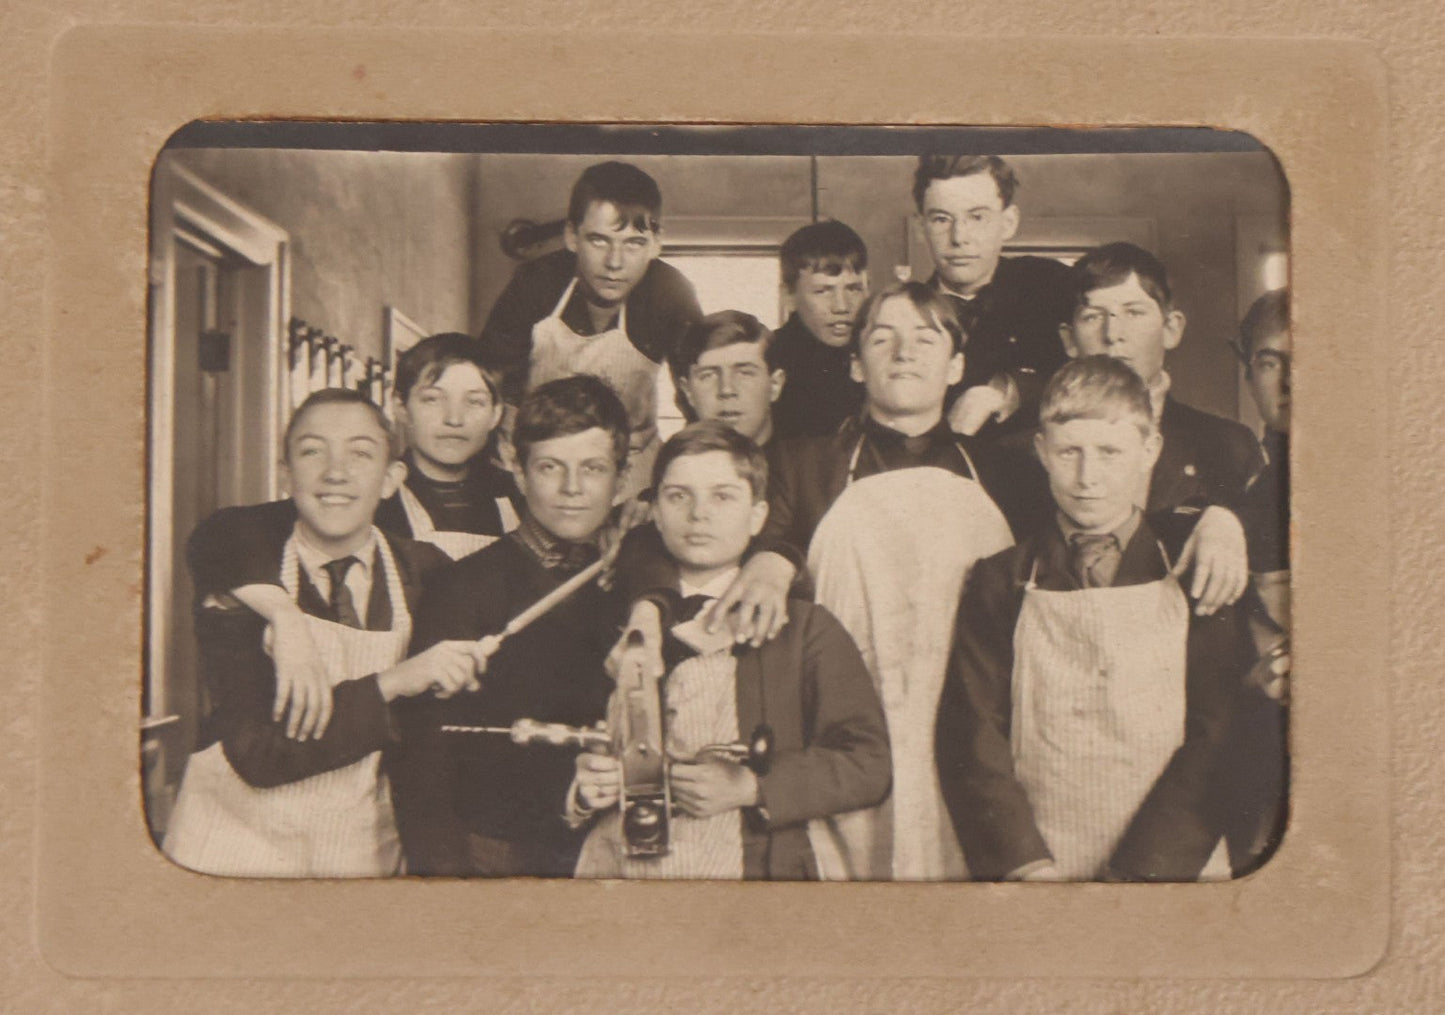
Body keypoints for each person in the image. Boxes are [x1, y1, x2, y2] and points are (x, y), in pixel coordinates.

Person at [935, 357, 1254, 882]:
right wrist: (1025, 863)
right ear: (1040, 451)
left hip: (1170, 866)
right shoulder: (1002, 579)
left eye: (1110, 452)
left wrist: (1140, 873)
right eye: (1068, 453)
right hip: (1041, 863)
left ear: (1149, 451)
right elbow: (972, 731)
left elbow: (1216, 735)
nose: (1088, 478)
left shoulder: (1195, 570)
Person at [162, 389, 485, 877]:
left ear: (392, 479)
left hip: (360, 853)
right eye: (313, 451)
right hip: (232, 850)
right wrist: (391, 679)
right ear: (286, 473)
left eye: (361, 453)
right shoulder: (245, 573)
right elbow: (260, 754)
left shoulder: (425, 574)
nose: (336, 472)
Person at [568, 422, 891, 879]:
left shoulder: (807, 630)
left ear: (759, 515)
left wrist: (752, 786)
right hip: (623, 874)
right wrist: (584, 791)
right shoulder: (612, 624)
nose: (699, 515)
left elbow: (869, 764)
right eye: (679, 496)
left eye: (723, 496)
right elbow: (567, 749)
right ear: (655, 513)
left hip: (756, 877)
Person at [184, 332, 524, 745]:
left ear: (496, 413)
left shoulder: (519, 497)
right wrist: (283, 616)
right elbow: (223, 534)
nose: (454, 419)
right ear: (401, 408)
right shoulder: (356, 493)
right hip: (351, 732)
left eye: (474, 401)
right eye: (433, 399)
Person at [388, 375, 630, 876]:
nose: (571, 489)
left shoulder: (637, 585)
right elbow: (424, 763)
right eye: (549, 468)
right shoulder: (462, 588)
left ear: (621, 480)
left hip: (612, 849)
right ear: (518, 472)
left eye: (593, 468)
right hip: (495, 856)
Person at [1055, 241, 1264, 614]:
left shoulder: (1227, 443)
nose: (1113, 334)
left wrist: (1229, 519)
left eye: (1134, 313)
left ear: (1171, 328)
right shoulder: (1021, 453)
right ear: (1068, 339)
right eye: (1092, 316)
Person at [480, 160, 703, 501]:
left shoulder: (669, 294)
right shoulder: (536, 284)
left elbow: (698, 397)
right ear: (572, 236)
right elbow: (491, 384)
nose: (615, 263)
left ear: (657, 243)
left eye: (633, 244)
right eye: (599, 241)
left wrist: (661, 491)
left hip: (631, 471)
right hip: (542, 468)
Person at [912, 154, 1073, 436]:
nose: (959, 237)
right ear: (920, 227)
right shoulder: (903, 312)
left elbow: (1101, 372)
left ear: (1008, 222)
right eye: (941, 219)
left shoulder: (1053, 285)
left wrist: (1006, 391)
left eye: (977, 217)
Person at [768, 220, 869, 440]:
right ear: (789, 297)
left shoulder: (878, 355)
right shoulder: (766, 360)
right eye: (823, 291)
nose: (841, 306)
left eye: (853, 289)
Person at [669, 309, 786, 447]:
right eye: (708, 375)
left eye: (744, 373)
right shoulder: (670, 466)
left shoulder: (813, 465)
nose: (726, 390)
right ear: (688, 391)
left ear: (775, 385)